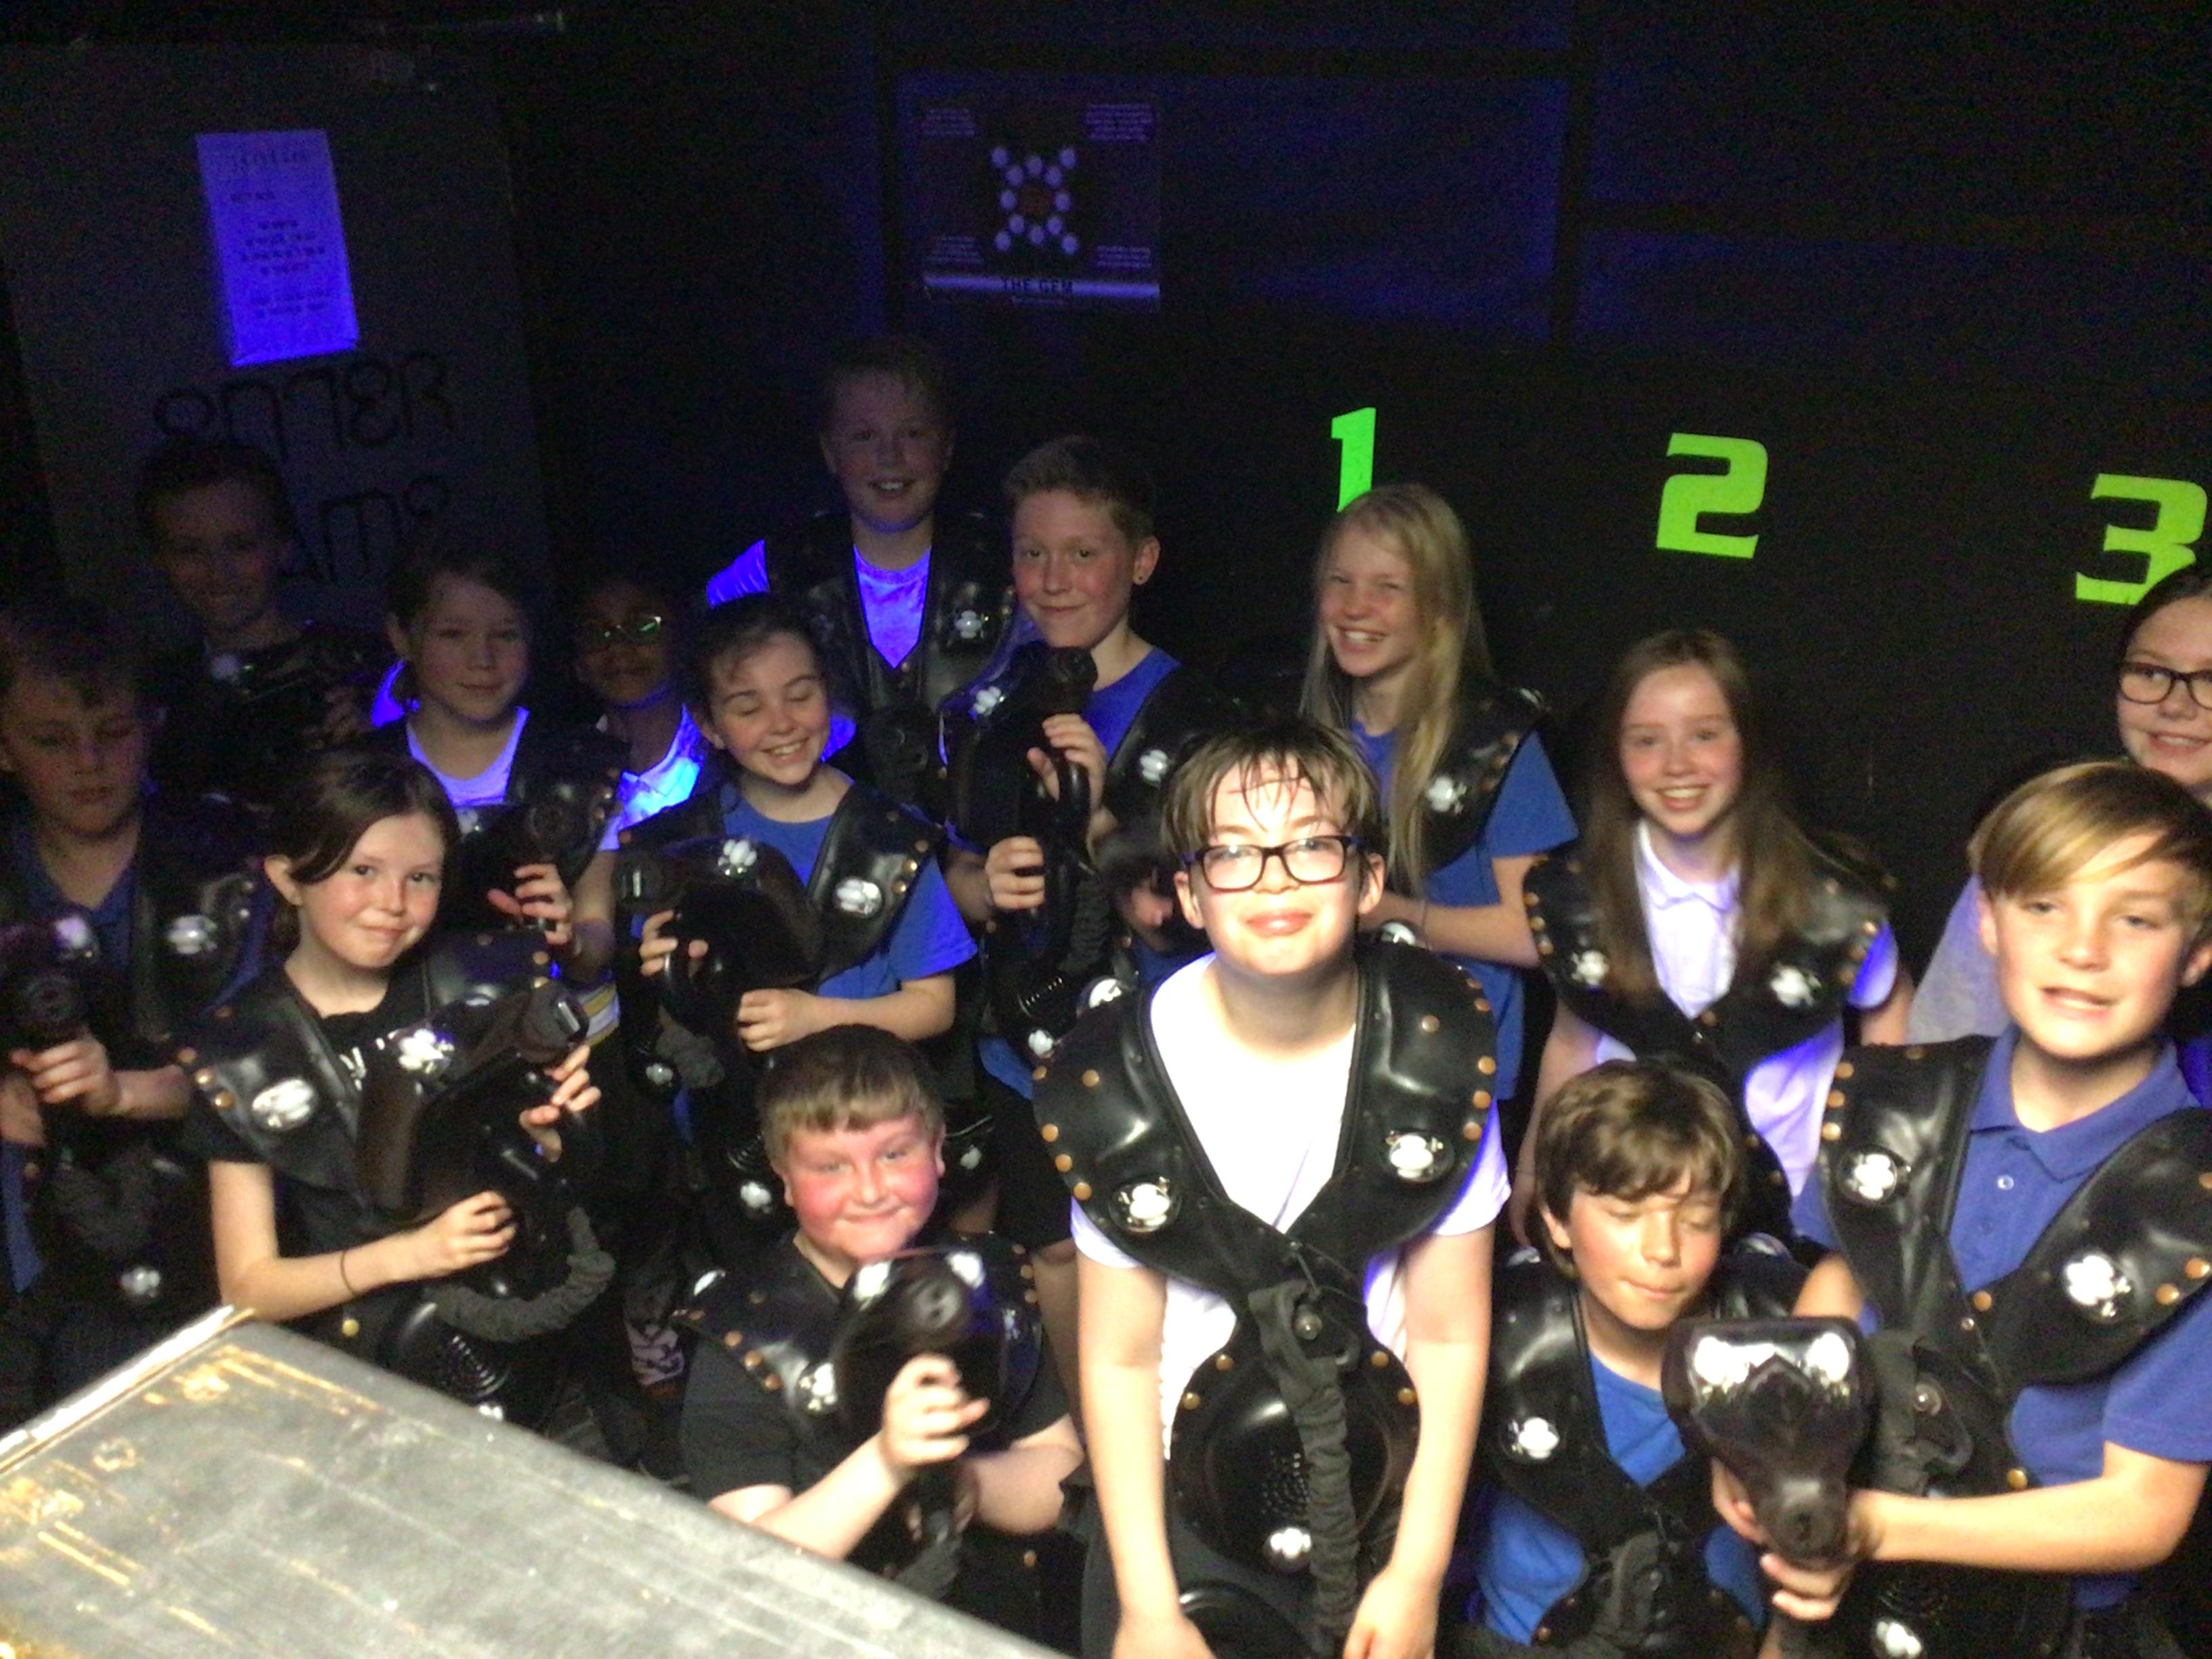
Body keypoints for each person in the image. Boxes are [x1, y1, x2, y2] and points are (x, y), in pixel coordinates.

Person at [1048, 718, 1498, 1659]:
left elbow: (1451, 1334)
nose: (1275, 881)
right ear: (1189, 893)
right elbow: (1120, 1359)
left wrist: (1417, 1574)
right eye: (1234, 854)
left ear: (1367, 879)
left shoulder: (1439, 1048)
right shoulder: (1116, 1075)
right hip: (1177, 1500)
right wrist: (1147, 1605)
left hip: (1379, 1490)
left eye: (1312, 846)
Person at [1745, 760, 2212, 1659]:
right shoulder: (1892, 1101)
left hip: (2055, 1633)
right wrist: (1777, 1463)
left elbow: (2141, 1513)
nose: (2083, 949)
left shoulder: (2195, 1196)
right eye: (2045, 907)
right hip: (1845, 1607)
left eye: (2136, 919)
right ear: (1990, 921)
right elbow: (1836, 1301)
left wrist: (1872, 1525)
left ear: (2196, 952)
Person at [183, 749, 604, 1420]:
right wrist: (407, 1256)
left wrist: (555, 1140)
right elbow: (249, 1286)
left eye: (421, 877)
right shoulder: (242, 1049)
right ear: (288, 878)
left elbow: (564, 1182)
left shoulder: (487, 983)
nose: (392, 903)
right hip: (370, 1378)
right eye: (363, 871)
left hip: (538, 1342)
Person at [943, 434, 1229, 1404]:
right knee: (1055, 1252)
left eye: (1082, 553)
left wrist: (1100, 816)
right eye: (1033, 554)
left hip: (1158, 1051)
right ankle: (1087, 1447)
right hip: (1019, 1045)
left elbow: (1197, 919)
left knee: (1163, 1252)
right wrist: (982, 884)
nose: (1054, 579)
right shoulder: (988, 707)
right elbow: (952, 866)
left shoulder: (1200, 717)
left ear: (1139, 561)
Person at [677, 1023, 1080, 1638]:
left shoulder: (988, 1282)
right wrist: (889, 1463)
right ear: (783, 1176)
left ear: (938, 1149)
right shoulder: (744, 1335)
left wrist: (965, 1481)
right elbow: (748, 1569)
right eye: (830, 1166)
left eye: (895, 1155)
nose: (869, 1190)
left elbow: (1058, 1472)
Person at [1513, 630, 1912, 1241]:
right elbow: (1573, 1039)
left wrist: (1870, 1159)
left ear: (1748, 742)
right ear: (1617, 755)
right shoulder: (1574, 892)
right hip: (1630, 1203)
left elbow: (1887, 1008)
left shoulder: (1833, 897)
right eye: (1647, 741)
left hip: (1794, 1209)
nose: (1677, 765)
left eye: (1705, 735)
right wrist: (1533, 1169)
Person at [623, 595, 975, 1263]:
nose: (781, 724)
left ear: (828, 695)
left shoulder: (890, 836)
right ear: (710, 725)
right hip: (736, 1140)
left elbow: (935, 1007)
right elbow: (661, 1028)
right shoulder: (680, 844)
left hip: (867, 1138)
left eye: (800, 695)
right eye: (748, 707)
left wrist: (814, 1017)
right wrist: (671, 980)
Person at [0, 596, 264, 1422]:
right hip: (36, 1257)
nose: (88, 762)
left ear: (150, 728)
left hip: (216, 1232)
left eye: (111, 732)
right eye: (52, 740)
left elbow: (265, 1061)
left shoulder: (222, 860)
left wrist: (120, 1092)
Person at [1464, 1059, 1801, 1658]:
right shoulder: (1494, 1336)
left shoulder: (1780, 1334)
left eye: (1695, 1219)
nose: (1663, 1249)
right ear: (1556, 1219)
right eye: (1625, 1214)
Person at [1302, 483, 1576, 1109]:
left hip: (1454, 1070)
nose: (1356, 607)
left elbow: (1535, 933)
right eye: (1341, 582)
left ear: (1440, 609)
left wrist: (1390, 913)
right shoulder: (1305, 730)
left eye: (1387, 588)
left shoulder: (1496, 741)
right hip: (1322, 1055)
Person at [1913, 567, 2212, 1072]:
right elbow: (1952, 1024)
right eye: (2150, 672)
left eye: (2210, 680)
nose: (2175, 706)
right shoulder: (2049, 824)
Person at [702, 335, 1013, 813]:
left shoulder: (1009, 566)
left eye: (913, 434)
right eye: (865, 436)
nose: (890, 457)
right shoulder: (773, 570)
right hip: (820, 839)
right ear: (830, 451)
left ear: (947, 447)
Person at [365, 531, 623, 983]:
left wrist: (571, 941)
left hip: (558, 1019)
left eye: (505, 635)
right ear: (402, 637)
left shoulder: (580, 762)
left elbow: (596, 934)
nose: (482, 659)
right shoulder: (362, 772)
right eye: (453, 634)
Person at [135, 437, 387, 815]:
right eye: (190, 550)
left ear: (282, 545)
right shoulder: (150, 697)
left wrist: (379, 747)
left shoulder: (362, 671)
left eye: (241, 545)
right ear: (160, 559)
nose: (218, 571)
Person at [570, 570, 709, 835]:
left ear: (679, 643)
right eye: (596, 633)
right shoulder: (562, 774)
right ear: (578, 664)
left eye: (642, 627)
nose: (618, 648)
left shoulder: (730, 754)